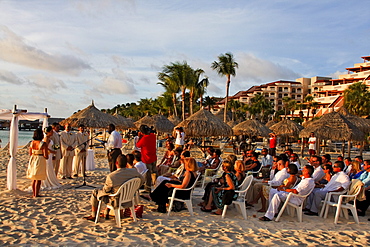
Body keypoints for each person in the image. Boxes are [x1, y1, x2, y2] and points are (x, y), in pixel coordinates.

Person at [83, 155, 144, 221]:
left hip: (116, 201)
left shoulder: (112, 176)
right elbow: (142, 180)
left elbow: (106, 191)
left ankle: (94, 215)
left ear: (116, 163)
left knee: (96, 192)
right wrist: (134, 189)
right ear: (126, 163)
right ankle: (106, 212)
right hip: (129, 199)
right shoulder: (134, 172)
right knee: (111, 192)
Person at [27, 128, 48, 198]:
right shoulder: (43, 144)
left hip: (33, 158)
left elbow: (30, 153)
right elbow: (46, 155)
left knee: (34, 178)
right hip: (40, 159)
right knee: (38, 178)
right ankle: (36, 193)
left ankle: (33, 193)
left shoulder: (31, 143)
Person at [136, 124, 157, 193]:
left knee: (148, 175)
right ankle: (156, 186)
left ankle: (148, 189)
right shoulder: (153, 136)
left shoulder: (144, 138)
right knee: (154, 173)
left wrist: (139, 137)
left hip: (146, 158)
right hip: (153, 157)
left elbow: (138, 145)